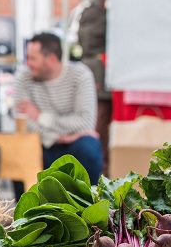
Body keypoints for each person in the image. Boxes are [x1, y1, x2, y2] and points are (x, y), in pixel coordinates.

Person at [12, 32, 103, 184]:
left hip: (74, 145)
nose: (28, 63)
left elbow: (86, 122)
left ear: (52, 60)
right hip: (41, 144)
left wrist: (41, 117)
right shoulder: (23, 77)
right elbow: (22, 122)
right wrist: (56, 138)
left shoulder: (80, 75)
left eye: (33, 58)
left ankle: (88, 202)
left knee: (89, 147)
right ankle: (25, 206)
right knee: (20, 148)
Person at [73, 0, 110, 175]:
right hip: (99, 70)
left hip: (88, 66)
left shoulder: (84, 16)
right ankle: (101, 163)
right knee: (100, 117)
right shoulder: (104, 18)